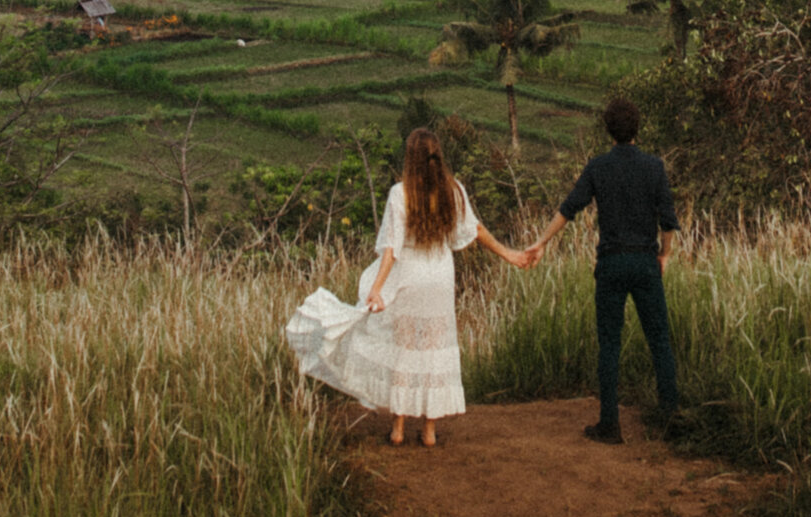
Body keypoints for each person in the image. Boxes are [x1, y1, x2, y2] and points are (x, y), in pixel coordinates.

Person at [284, 129, 533, 447]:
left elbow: (392, 248)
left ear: (410, 159)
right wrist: (510, 254)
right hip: (439, 276)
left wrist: (377, 288)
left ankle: (398, 429)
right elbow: (476, 230)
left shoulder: (400, 193)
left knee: (404, 350)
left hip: (409, 277)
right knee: (434, 349)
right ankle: (429, 431)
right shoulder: (454, 190)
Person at [522, 95, 681, 445]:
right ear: (637, 128)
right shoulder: (654, 167)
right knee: (659, 341)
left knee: (609, 343)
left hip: (610, 263)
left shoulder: (598, 167)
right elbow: (668, 221)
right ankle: (671, 421)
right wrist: (664, 255)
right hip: (644, 261)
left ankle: (610, 424)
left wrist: (542, 241)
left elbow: (568, 209)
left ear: (609, 130)